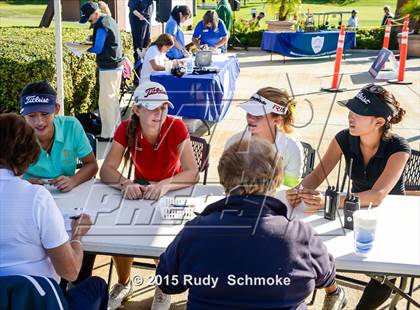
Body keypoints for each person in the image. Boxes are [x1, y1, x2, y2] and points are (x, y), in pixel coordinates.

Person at [156, 136, 346, 309]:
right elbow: (326, 275)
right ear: (277, 180)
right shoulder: (300, 235)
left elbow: (167, 282)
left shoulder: (196, 232)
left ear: (224, 178)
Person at [286, 84, 410, 309]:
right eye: (350, 111)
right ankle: (329, 294)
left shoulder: (399, 147)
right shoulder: (344, 138)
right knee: (301, 250)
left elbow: (378, 195)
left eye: (358, 114)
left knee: (385, 274)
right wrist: (300, 190)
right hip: (353, 213)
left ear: (379, 122)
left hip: (389, 216)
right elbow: (317, 175)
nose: (350, 117)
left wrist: (330, 201)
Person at [100, 81, 199, 310]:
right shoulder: (126, 127)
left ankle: (163, 287)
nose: (160, 113)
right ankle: (124, 283)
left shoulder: (176, 126)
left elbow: (192, 173)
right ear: (137, 109)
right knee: (120, 236)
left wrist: (164, 185)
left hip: (173, 188)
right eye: (153, 108)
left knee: (163, 241)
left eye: (163, 107)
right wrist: (125, 183)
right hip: (140, 189)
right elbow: (106, 169)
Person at [0, 113, 108, 310]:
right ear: (28, 154)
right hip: (39, 301)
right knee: (97, 286)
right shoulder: (35, 197)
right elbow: (71, 271)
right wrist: (77, 235)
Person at [20, 81, 98, 192]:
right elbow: (5, 175)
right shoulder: (16, 134)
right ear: (23, 115)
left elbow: (92, 165)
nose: (39, 122)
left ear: (56, 109)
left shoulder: (71, 126)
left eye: (45, 114)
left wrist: (73, 180)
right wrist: (22, 182)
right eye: (31, 116)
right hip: (29, 194)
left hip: (66, 194)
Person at [225, 87, 304, 188]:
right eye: (249, 112)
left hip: (277, 202)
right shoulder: (233, 142)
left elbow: (290, 188)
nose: (250, 118)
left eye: (258, 116)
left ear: (277, 120)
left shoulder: (293, 147)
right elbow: (229, 183)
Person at [80, 2, 124, 142]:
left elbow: (98, 48)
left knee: (105, 101)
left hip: (108, 68)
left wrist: (82, 48)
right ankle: (117, 130)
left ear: (95, 13)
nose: (89, 20)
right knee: (113, 99)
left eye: (89, 17)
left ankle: (108, 134)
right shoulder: (109, 19)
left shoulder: (101, 25)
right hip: (117, 65)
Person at [128, 0, 153, 65]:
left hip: (147, 20)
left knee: (146, 44)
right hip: (138, 22)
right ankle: (138, 66)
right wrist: (140, 15)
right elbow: (133, 9)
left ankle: (144, 63)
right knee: (139, 46)